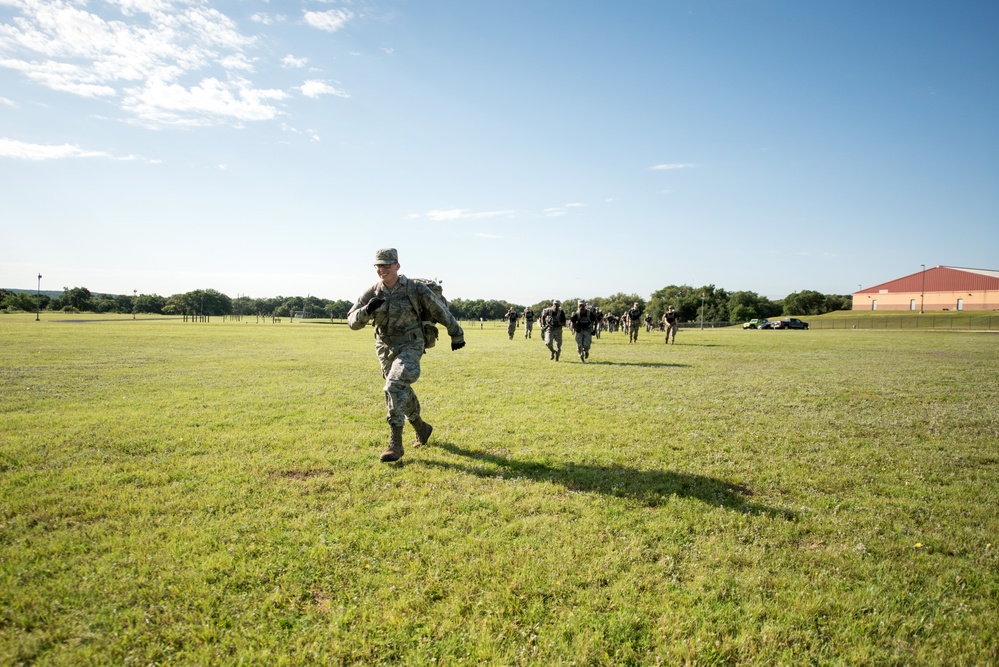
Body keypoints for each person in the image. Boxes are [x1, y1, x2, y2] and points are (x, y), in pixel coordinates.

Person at [347, 248, 465, 462]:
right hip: (384, 347)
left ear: (397, 266)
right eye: (378, 266)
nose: (382, 270)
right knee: (399, 388)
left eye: (386, 265)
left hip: (411, 343)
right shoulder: (373, 292)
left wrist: (456, 334)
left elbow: (440, 310)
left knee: (393, 385)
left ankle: (396, 443)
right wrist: (367, 310)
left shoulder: (415, 289)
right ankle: (421, 426)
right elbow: (352, 321)